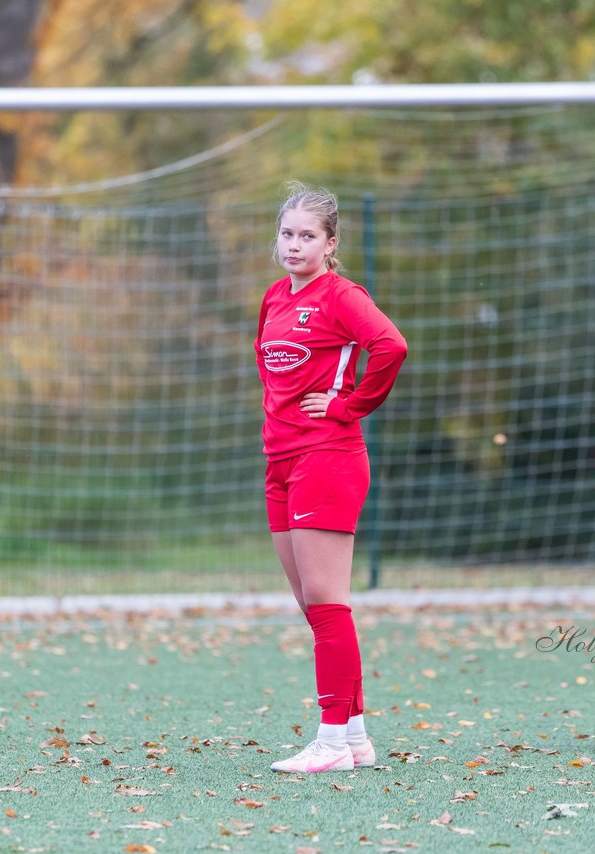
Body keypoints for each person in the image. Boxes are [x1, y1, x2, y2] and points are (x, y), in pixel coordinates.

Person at [255, 182, 408, 773]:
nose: (294, 245)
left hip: (329, 455)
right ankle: (355, 736)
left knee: (327, 603)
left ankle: (329, 741)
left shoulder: (342, 296)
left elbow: (390, 346)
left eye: (307, 236)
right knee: (311, 604)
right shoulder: (273, 298)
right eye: (287, 234)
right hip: (281, 461)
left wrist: (349, 406)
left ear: (330, 243)